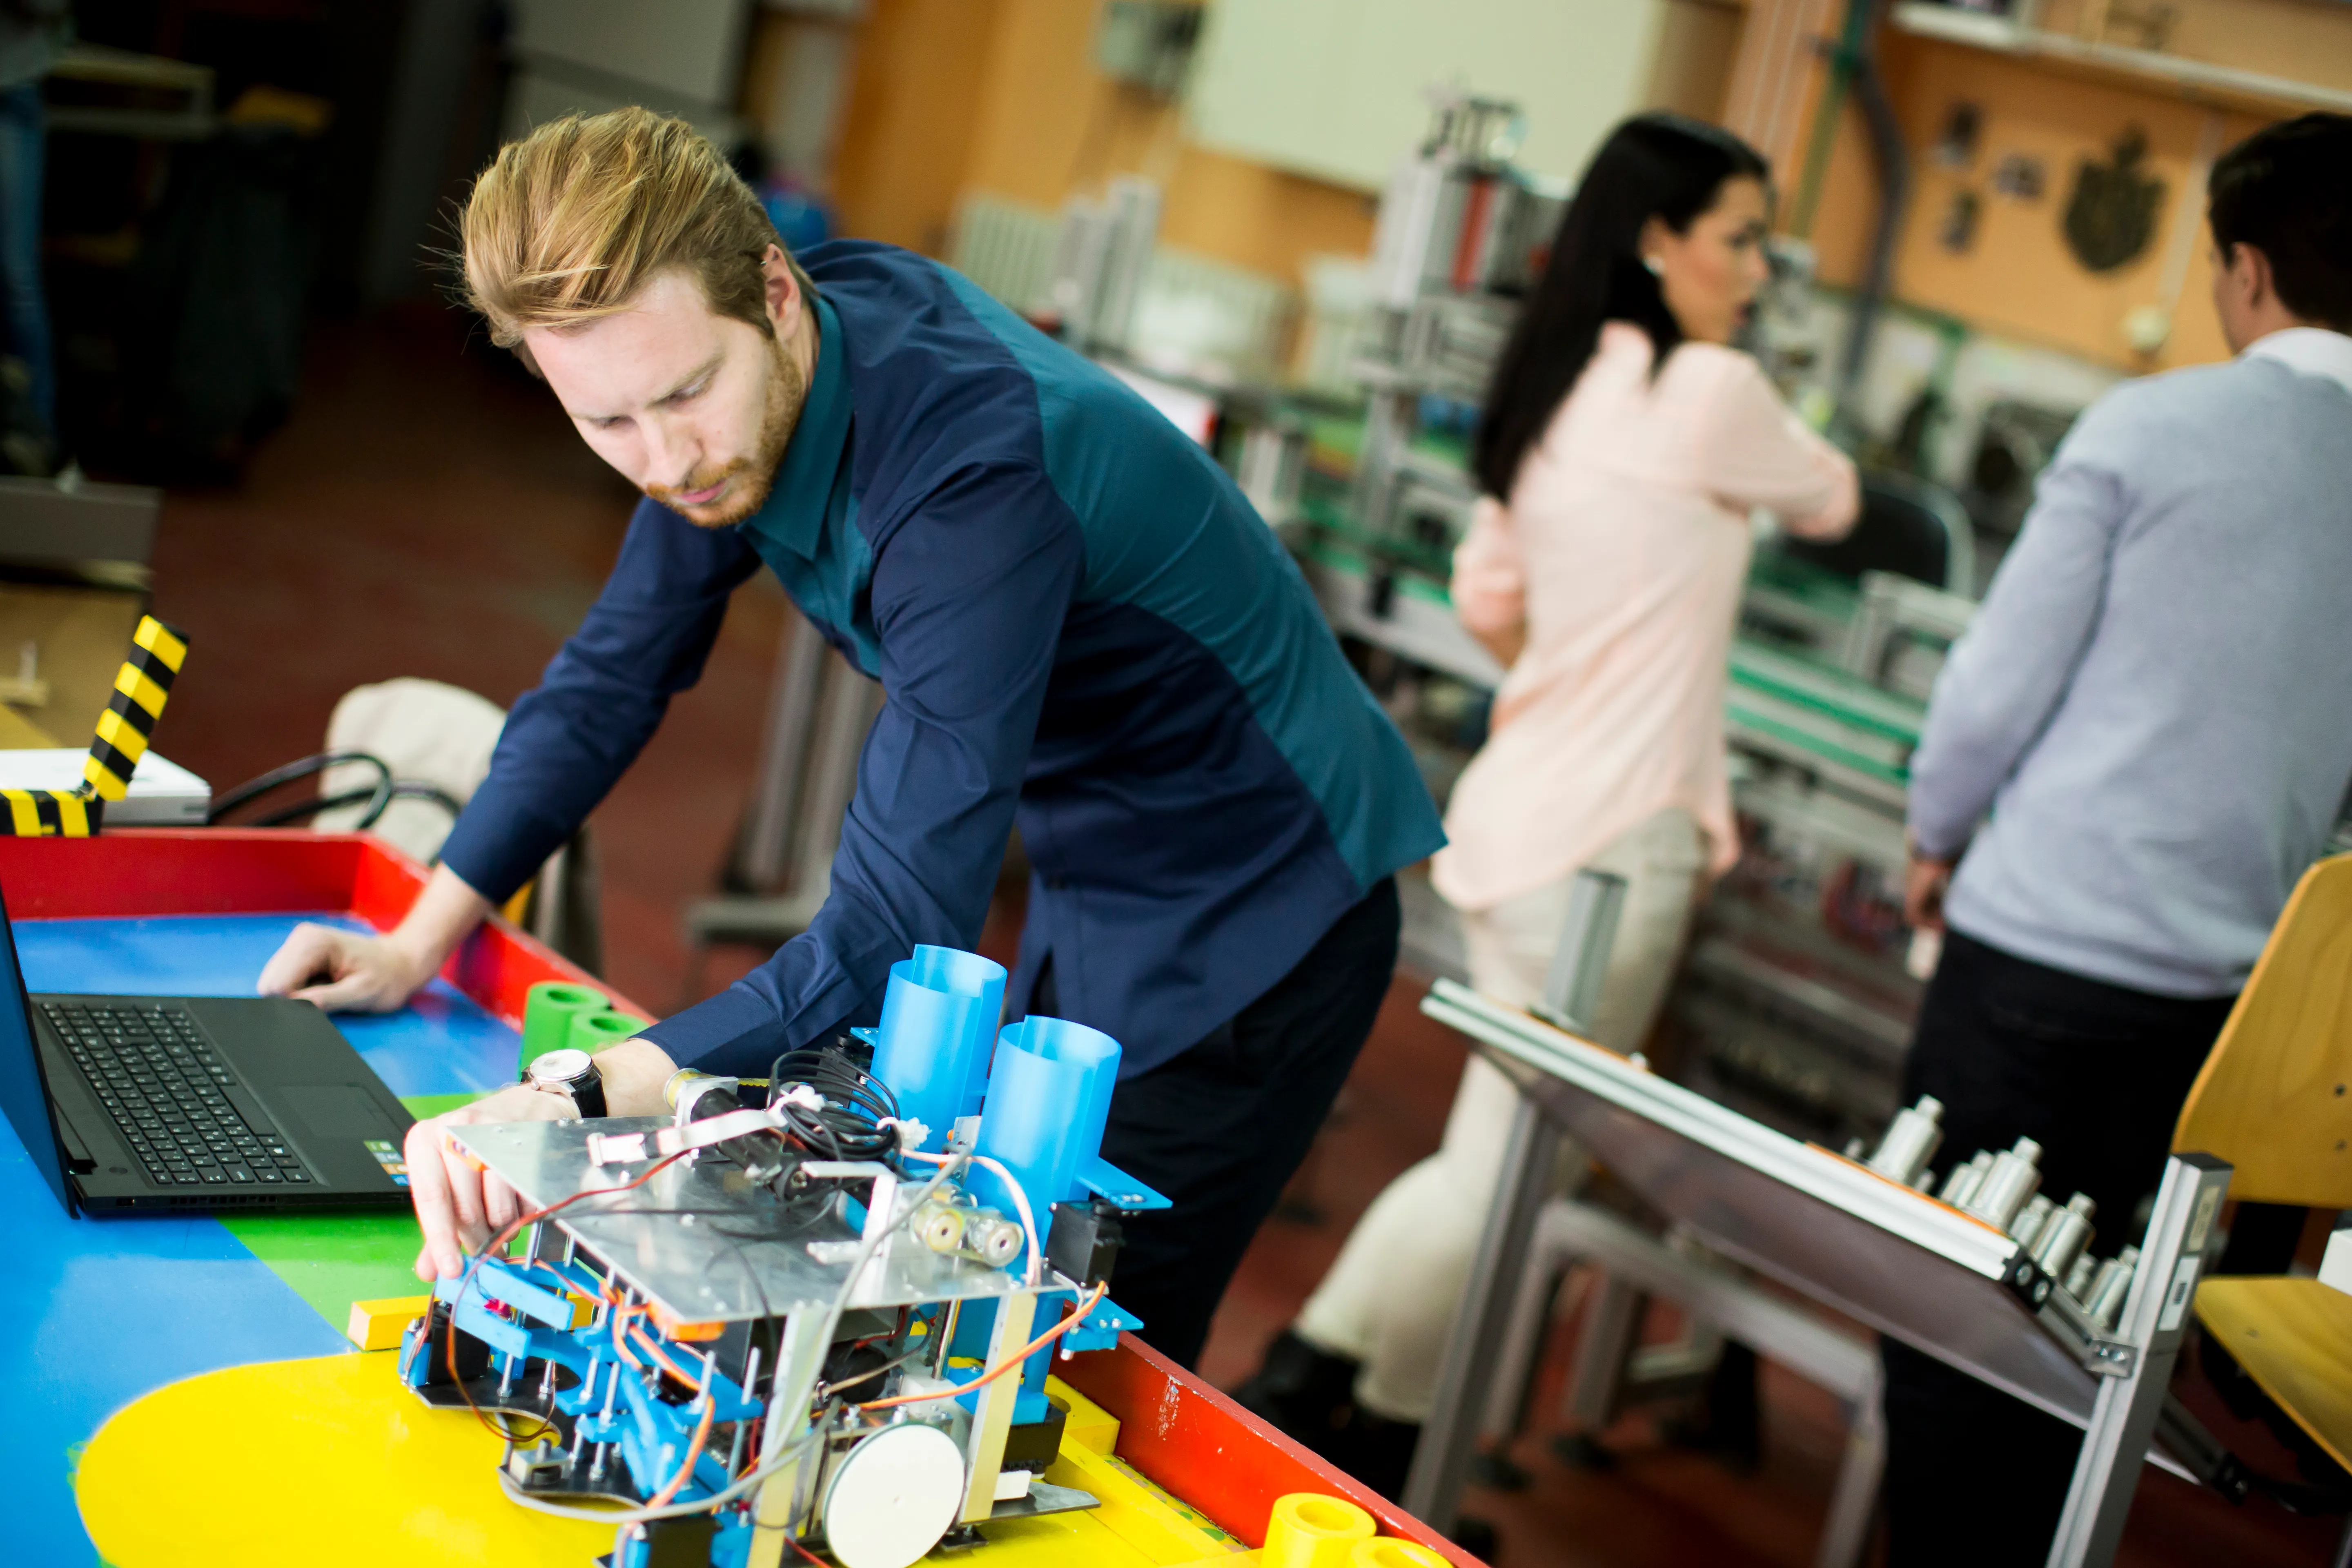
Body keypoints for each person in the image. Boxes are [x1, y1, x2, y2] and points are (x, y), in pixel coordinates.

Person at [255, 108, 1443, 1371]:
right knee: (988, 1271)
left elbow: (895, 926)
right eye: (606, 425)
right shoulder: (731, 386)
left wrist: (572, 1103)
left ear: (774, 290)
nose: (663, 460)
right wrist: (416, 940)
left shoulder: (966, 489)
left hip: (1260, 898)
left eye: (682, 396)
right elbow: (615, 672)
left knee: (1072, 1351)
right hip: (1091, 852)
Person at [1232, 113, 1857, 1494]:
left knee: (1489, 1152)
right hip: (1617, 852)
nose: (1759, 270)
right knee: (1523, 1178)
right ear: (1659, 242)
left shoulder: (1554, 388)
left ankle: (1314, 1373)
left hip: (1521, 817)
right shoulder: (1712, 392)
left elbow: (1486, 595)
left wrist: (1577, 673)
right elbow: (1833, 497)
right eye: (1742, 238)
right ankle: (1387, 1444)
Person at [1887, 112, 2352, 1566]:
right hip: (2232, 1029)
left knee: (1956, 1330)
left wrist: (1932, 831)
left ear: (2250, 270)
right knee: (2103, 1363)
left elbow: (1995, 685)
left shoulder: (2150, 426)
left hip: (2039, 962)